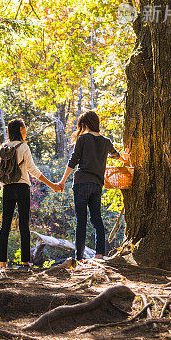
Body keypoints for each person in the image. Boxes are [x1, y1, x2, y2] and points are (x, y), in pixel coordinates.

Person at [58, 110, 128, 261]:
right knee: (97, 219)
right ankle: (99, 254)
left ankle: (79, 258)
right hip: (97, 185)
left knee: (81, 220)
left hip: (82, 183)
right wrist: (125, 158)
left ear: (86, 124)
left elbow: (73, 160)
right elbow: (117, 155)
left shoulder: (83, 139)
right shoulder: (105, 141)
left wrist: (63, 181)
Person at [0, 117, 61, 270]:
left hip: (8, 188)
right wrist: (52, 185)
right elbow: (33, 171)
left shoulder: (3, 148)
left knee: (5, 225)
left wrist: (6, 176)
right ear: (20, 130)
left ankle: (2, 262)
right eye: (24, 128)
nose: (26, 131)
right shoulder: (23, 147)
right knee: (24, 225)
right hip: (22, 188)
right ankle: (25, 263)